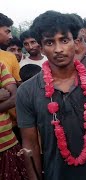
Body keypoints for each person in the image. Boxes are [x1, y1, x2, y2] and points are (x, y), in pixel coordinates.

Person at [16, 11, 86, 179]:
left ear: (75, 43)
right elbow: (30, 144)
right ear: (41, 46)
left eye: (64, 40)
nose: (59, 49)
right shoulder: (27, 91)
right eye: (49, 42)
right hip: (56, 174)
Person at [0, 12, 28, 180]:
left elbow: (15, 95)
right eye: (7, 31)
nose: (10, 36)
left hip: (8, 136)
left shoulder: (5, 61)